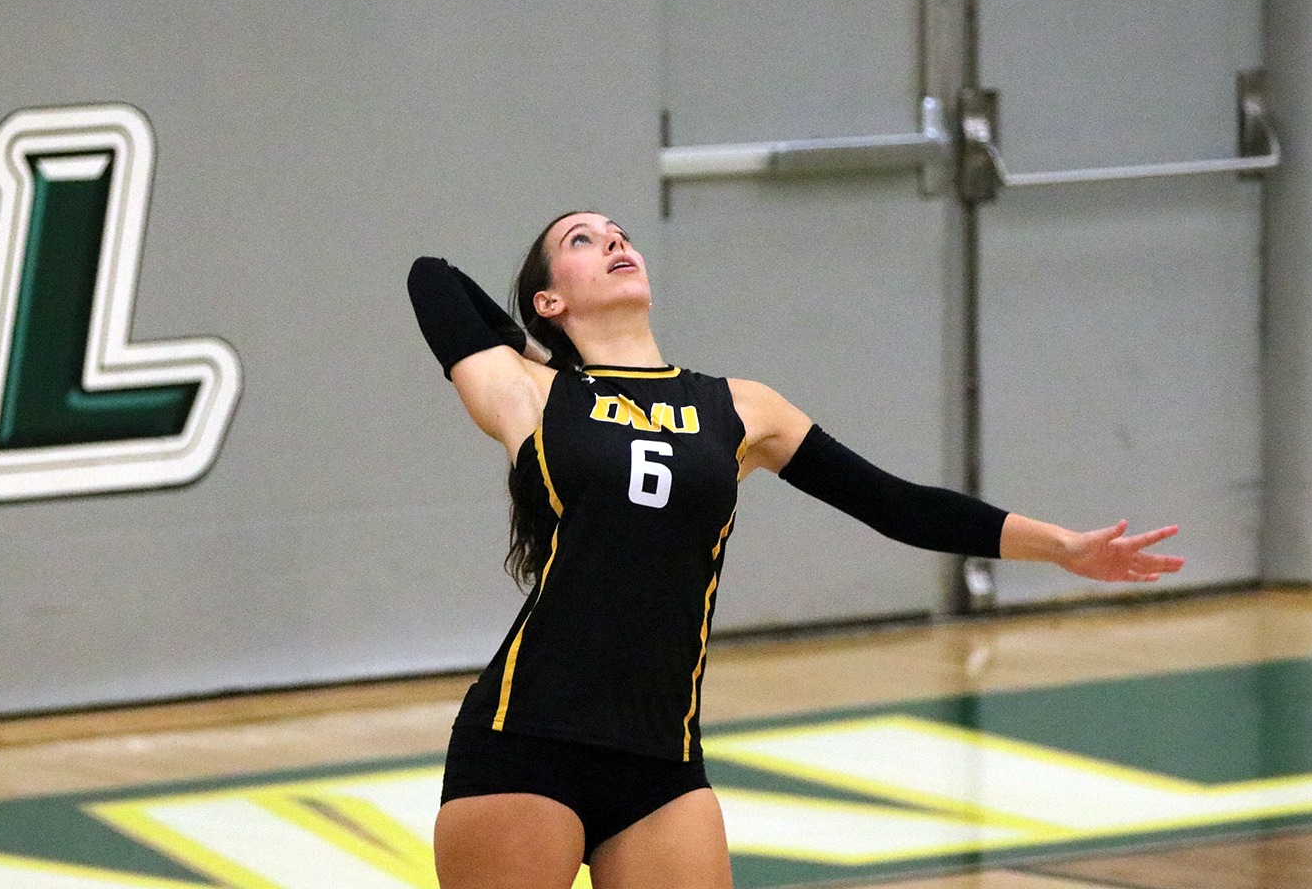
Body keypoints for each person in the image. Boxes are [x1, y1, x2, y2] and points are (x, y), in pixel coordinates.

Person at [405, 212, 1184, 889]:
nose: (614, 241)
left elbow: (895, 505)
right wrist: (548, 359)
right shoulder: (529, 396)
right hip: (523, 741)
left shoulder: (741, 407)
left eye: (621, 234)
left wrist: (1061, 548)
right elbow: (433, 278)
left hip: (659, 760)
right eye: (582, 240)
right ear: (551, 299)